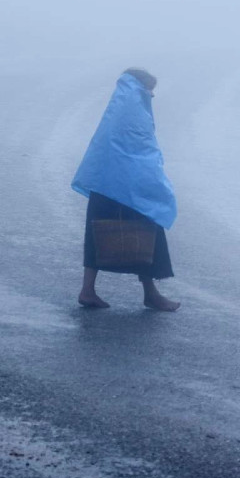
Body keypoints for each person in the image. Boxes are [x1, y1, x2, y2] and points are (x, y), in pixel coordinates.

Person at [71, 67, 179, 311]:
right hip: (129, 187)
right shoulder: (134, 111)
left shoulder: (117, 108)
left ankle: (88, 290)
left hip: (104, 182)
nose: (152, 96)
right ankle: (150, 293)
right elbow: (142, 150)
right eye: (149, 90)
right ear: (140, 88)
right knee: (148, 231)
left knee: (96, 233)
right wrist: (156, 184)